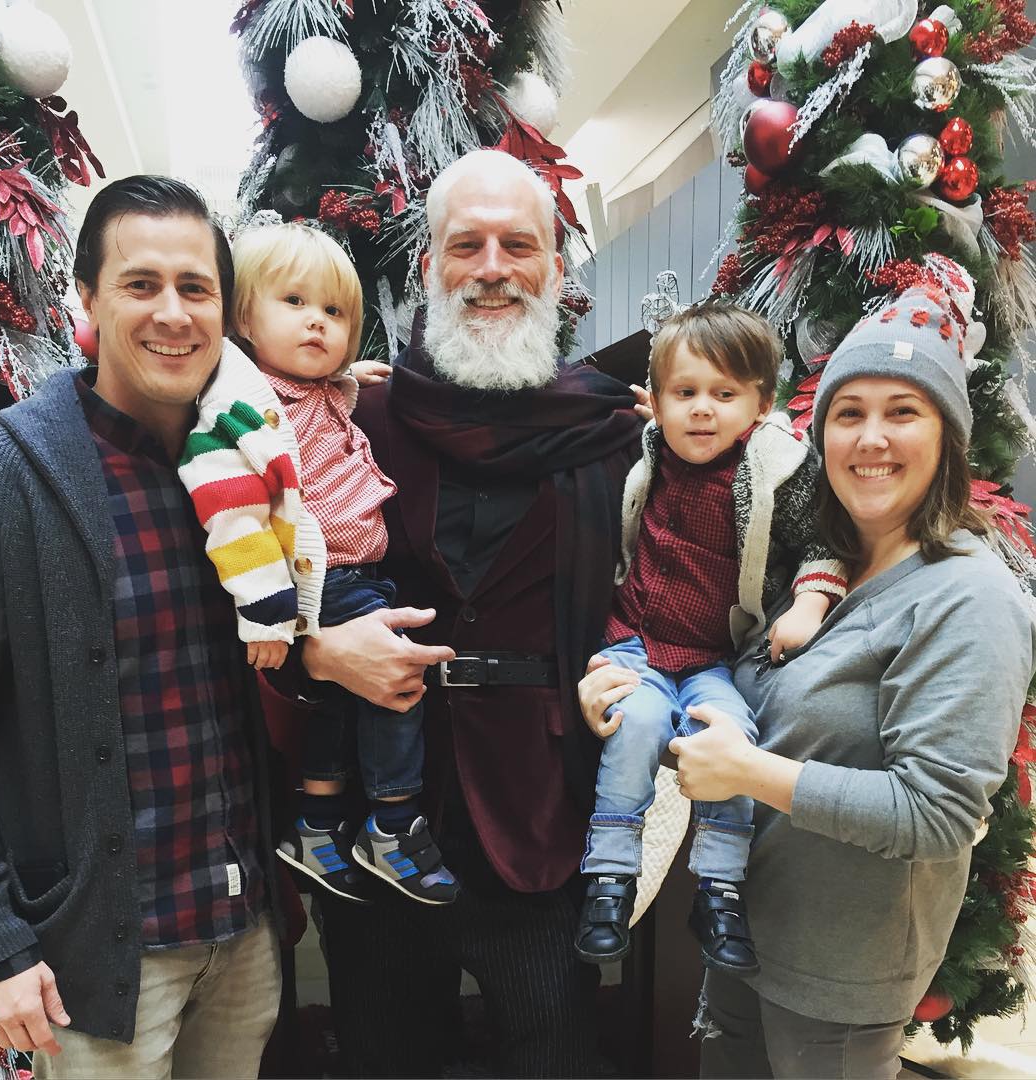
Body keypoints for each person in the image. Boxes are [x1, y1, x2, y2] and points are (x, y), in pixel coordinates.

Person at [580, 283, 1036, 1079]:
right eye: (848, 412)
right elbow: (733, 709)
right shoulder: (806, 571)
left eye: (903, 411)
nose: (870, 437)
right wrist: (621, 698)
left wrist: (749, 773)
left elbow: (938, 814)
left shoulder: (969, 597)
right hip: (745, 940)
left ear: (949, 433)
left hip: (840, 978)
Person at [298, 148, 643, 1076]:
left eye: (517, 246)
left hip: (543, 813)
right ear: (428, 267)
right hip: (381, 821)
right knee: (385, 1060)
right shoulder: (356, 423)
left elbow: (672, 588)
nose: (492, 269)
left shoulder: (613, 435)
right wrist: (317, 650)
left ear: (554, 270)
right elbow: (246, 578)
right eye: (467, 245)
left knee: (556, 1058)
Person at [0, 175, 292, 1079]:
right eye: (141, 284)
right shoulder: (0, 478)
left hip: (243, 930)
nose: (172, 314)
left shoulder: (245, 465)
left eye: (196, 288)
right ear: (88, 299)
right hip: (100, 961)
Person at [179, 221, 458, 906]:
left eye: (334, 312)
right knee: (397, 677)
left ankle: (317, 820)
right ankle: (394, 821)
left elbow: (327, 395)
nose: (317, 322)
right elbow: (231, 512)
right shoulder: (242, 407)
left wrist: (352, 377)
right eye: (295, 302)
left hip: (349, 574)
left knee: (336, 697)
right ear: (244, 318)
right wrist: (267, 614)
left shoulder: (321, 389)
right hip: (318, 579)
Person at [573, 304, 846, 971]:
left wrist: (810, 602)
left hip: (709, 659)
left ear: (761, 403)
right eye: (685, 393)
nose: (702, 410)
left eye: (724, 395)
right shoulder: (649, 449)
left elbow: (823, 542)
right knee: (635, 724)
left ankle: (719, 888)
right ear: (659, 400)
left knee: (731, 737)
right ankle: (609, 878)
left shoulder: (775, 470)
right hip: (635, 643)